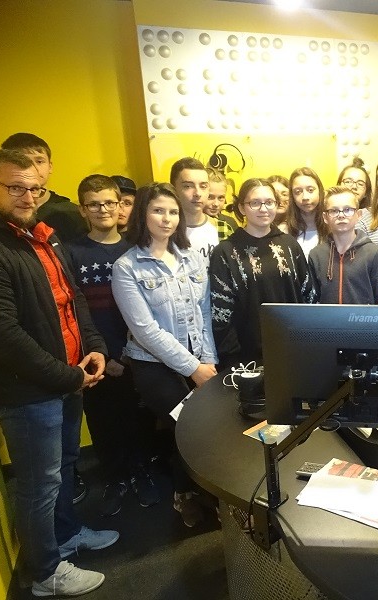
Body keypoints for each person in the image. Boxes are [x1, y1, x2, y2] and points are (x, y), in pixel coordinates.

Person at [0, 149, 117, 596]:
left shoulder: (43, 235)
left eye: (35, 188)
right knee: (39, 484)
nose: (28, 197)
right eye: (15, 188)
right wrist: (69, 377)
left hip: (67, 377)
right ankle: (44, 573)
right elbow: (1, 333)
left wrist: (94, 347)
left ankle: (65, 536)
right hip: (27, 393)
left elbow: (73, 297)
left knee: (63, 467)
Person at [112, 182, 218, 528]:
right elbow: (146, 331)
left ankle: (208, 493)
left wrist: (207, 359)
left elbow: (204, 312)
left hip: (199, 358)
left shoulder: (191, 257)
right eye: (158, 210)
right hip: (154, 366)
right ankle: (185, 495)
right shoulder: (127, 267)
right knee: (186, 429)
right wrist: (193, 368)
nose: (167, 218)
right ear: (142, 214)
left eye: (173, 211)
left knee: (208, 429)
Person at [67, 174, 159, 517]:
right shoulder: (71, 252)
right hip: (96, 357)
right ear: (82, 210)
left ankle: (141, 472)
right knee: (104, 421)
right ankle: (115, 479)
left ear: (120, 205)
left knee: (139, 418)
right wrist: (106, 354)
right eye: (94, 204)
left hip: (138, 353)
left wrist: (130, 351)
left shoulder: (137, 248)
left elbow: (150, 307)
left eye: (109, 202)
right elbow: (76, 311)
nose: (103, 209)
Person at [210, 178, 316, 368]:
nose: (263, 209)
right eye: (255, 203)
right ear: (242, 208)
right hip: (245, 357)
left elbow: (308, 296)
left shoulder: (290, 245)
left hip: (294, 349)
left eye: (269, 202)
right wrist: (231, 358)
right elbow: (221, 313)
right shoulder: (225, 252)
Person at [309, 186, 378, 304]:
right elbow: (312, 300)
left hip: (363, 316)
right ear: (325, 217)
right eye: (334, 211)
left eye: (347, 210)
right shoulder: (316, 255)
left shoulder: (373, 252)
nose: (341, 215)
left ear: (358, 215)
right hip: (328, 317)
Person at [1, 132, 88, 243]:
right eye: (23, 161)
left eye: (39, 161)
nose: (34, 168)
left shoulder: (71, 213)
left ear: (50, 166)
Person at [170, 157, 218, 262]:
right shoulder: (164, 230)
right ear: (173, 189)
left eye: (203, 186)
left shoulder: (221, 228)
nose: (197, 193)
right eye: (188, 186)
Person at [286, 167, 324, 257]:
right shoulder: (284, 231)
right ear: (292, 196)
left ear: (320, 191)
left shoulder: (332, 227)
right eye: (298, 192)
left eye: (310, 190)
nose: (305, 197)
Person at [205, 167, 238, 241]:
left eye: (220, 198)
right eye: (210, 197)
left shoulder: (230, 223)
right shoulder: (189, 222)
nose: (216, 204)